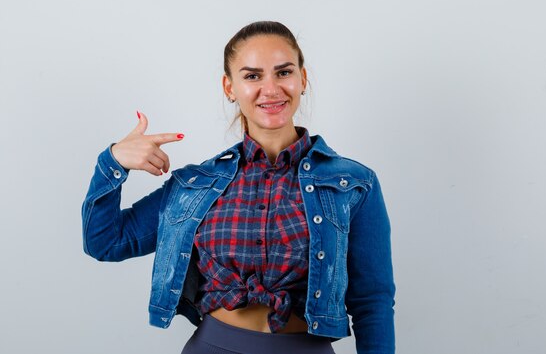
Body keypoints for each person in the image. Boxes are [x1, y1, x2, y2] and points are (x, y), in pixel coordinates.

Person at [81, 21, 395, 354]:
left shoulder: (354, 184)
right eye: (252, 76)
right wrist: (112, 162)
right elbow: (105, 242)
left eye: (283, 72)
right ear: (229, 87)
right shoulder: (196, 186)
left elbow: (372, 301)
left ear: (302, 79)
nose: (271, 89)